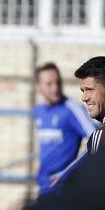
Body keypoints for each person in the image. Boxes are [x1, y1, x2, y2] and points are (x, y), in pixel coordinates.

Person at [49, 56, 105, 189]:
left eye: (90, 89)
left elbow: (99, 190)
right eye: (83, 91)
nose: (84, 98)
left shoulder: (102, 136)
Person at [32, 62, 97, 196]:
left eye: (58, 82)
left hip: (63, 188)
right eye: (49, 84)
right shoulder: (40, 111)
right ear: (38, 86)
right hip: (44, 186)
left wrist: (66, 172)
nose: (55, 88)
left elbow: (98, 140)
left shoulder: (71, 108)